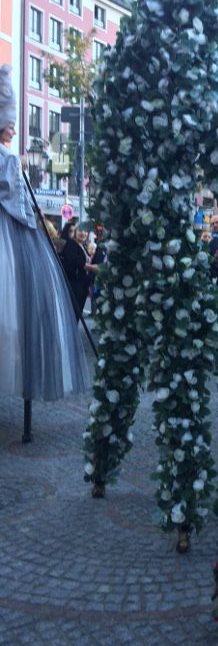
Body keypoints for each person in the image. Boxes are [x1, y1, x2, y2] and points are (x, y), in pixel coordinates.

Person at [0, 64, 89, 401]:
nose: (12, 129)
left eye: (13, 123)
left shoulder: (8, 155)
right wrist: (18, 164)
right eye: (8, 123)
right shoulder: (7, 158)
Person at [59, 221, 92, 321]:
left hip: (82, 285)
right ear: (75, 232)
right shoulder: (71, 245)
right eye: (80, 231)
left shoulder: (82, 245)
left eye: (85, 231)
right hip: (75, 285)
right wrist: (93, 268)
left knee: (77, 313)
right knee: (73, 314)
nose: (83, 233)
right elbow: (76, 262)